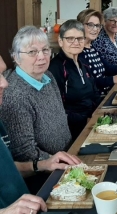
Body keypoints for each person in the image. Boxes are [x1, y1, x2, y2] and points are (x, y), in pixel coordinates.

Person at [0, 55, 80, 214]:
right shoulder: (16, 94)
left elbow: (6, 170)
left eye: (2, 74)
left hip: (33, 209)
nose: (4, 83)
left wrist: (42, 164)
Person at [0, 27, 72, 162]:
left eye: (45, 50)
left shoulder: (48, 76)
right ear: (16, 57)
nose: (41, 57)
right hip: (46, 172)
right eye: (32, 52)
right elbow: (24, 152)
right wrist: (59, 161)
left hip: (68, 152)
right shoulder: (15, 95)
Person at [49, 20, 101, 140]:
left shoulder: (83, 64)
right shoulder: (55, 69)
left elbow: (95, 94)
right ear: (61, 41)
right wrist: (86, 121)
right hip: (72, 130)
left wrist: (103, 112)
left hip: (93, 123)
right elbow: (57, 110)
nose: (76, 42)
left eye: (79, 38)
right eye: (70, 39)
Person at [77, 9, 117, 96]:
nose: (95, 29)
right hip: (98, 99)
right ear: (80, 26)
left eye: (97, 25)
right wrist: (115, 79)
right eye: (90, 25)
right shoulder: (78, 52)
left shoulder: (92, 47)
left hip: (106, 93)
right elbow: (89, 83)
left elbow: (109, 68)